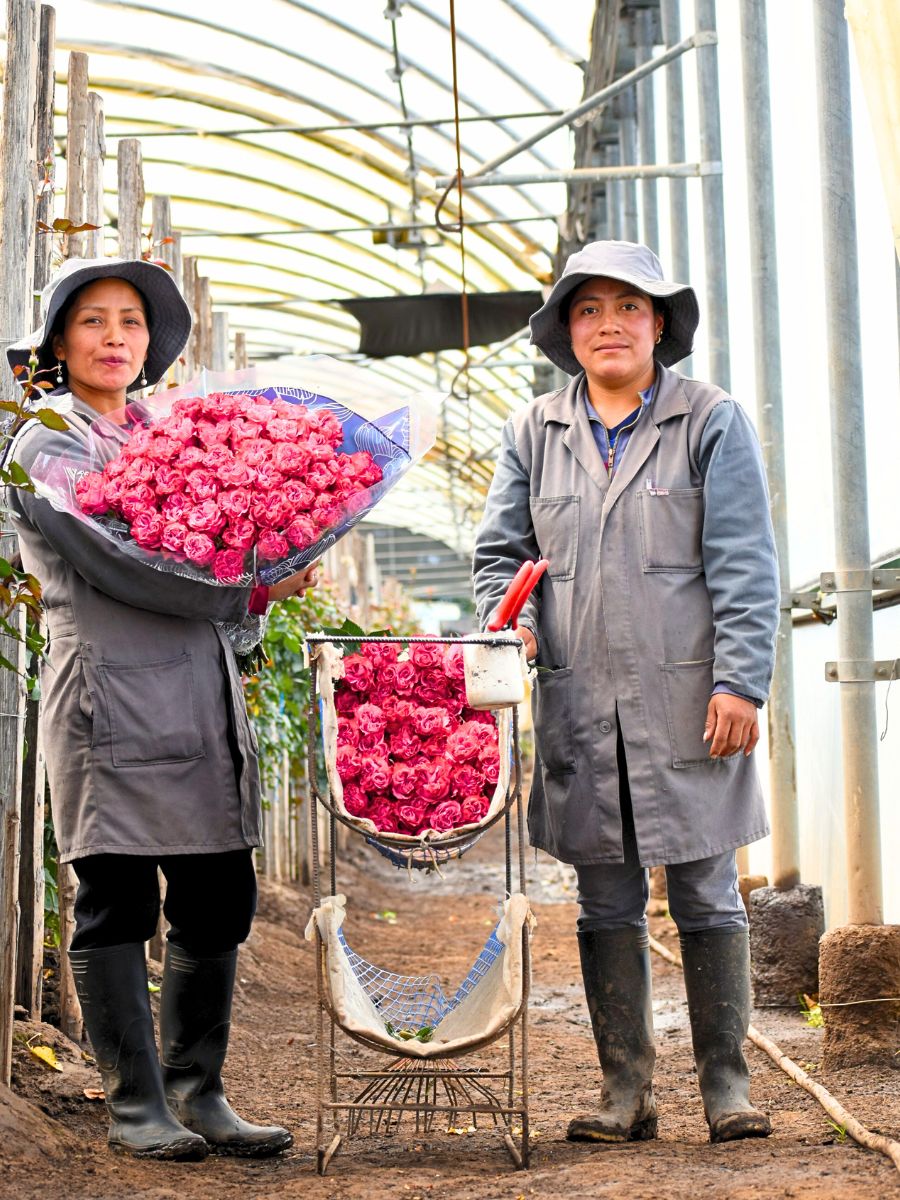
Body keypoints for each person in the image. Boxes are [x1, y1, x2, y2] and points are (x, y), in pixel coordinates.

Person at [6, 257, 317, 1161]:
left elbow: (219, 535)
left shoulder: (167, 432)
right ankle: (136, 1102)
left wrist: (280, 537)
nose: (114, 339)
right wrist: (253, 589)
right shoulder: (46, 445)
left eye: (131, 324)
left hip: (196, 688)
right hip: (110, 693)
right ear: (59, 342)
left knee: (221, 892)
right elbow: (123, 563)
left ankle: (200, 1091)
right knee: (116, 894)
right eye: (93, 321)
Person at [473, 240, 780, 1145]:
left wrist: (740, 681)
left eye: (630, 307)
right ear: (567, 332)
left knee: (707, 892)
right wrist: (514, 625)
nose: (610, 324)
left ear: (660, 326)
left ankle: (726, 1086)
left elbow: (744, 563)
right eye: (589, 309)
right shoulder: (536, 430)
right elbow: (501, 553)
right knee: (604, 899)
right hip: (581, 701)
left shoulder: (709, 421)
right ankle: (625, 1092)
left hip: (689, 697)